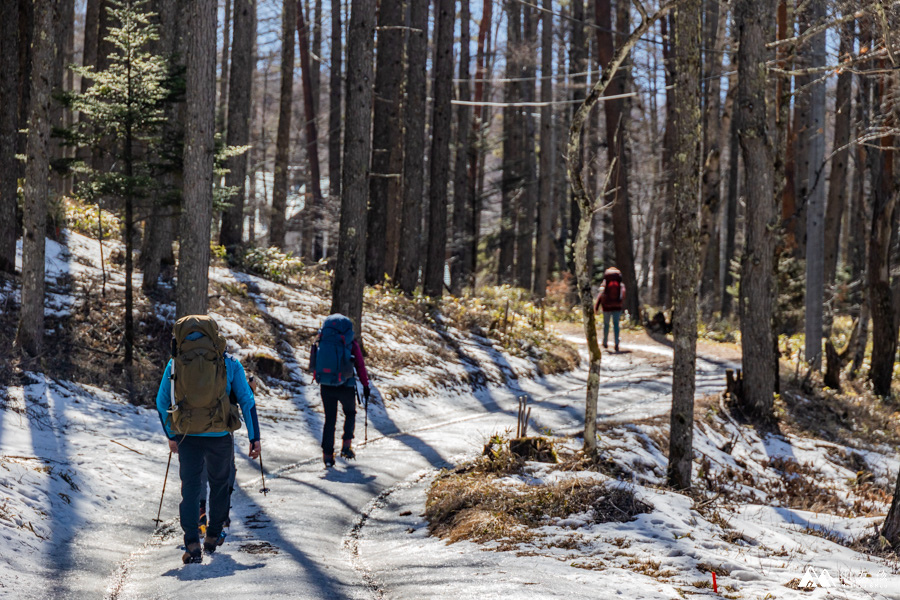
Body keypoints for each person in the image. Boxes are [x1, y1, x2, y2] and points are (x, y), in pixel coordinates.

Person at [155, 315, 260, 564]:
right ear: (215, 336)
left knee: (190, 488)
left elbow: (161, 403)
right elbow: (247, 400)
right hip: (220, 434)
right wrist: (255, 438)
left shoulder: (175, 364)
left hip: (187, 435)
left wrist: (171, 434)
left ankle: (192, 542)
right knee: (220, 484)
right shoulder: (229, 363)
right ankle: (213, 536)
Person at [309, 313, 370, 467]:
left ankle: (328, 456)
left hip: (326, 384)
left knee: (330, 420)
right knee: (350, 413)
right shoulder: (350, 342)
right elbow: (360, 365)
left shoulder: (323, 340)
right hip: (346, 384)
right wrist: (365, 384)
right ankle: (346, 446)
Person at [594, 266, 626, 352]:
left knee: (606, 324)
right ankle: (616, 342)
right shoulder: (620, 285)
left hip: (606, 306)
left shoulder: (605, 284)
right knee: (616, 324)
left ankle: (605, 341)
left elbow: (600, 295)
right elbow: (623, 295)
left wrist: (596, 307)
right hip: (617, 306)